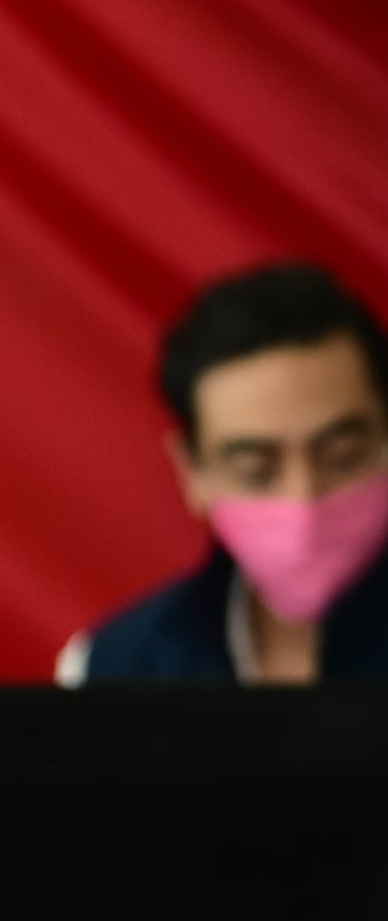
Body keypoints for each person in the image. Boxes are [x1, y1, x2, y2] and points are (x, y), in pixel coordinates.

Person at [60, 261, 388, 684]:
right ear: (193, 472)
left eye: (343, 456)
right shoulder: (115, 666)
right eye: (257, 472)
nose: (303, 498)